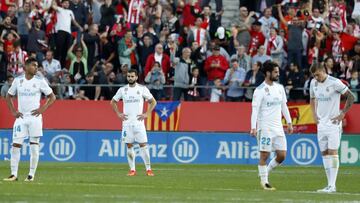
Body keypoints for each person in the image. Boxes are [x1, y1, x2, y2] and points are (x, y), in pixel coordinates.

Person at [3, 58, 56, 182]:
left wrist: (43, 108)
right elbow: (8, 95)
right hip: (21, 117)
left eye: (37, 65)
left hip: (35, 118)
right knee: (15, 145)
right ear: (26, 67)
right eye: (34, 65)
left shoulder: (40, 81)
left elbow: (52, 96)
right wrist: (13, 111)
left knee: (34, 146)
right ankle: (13, 174)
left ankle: (31, 175)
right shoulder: (18, 80)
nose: (36, 68)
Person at [309, 63, 355, 193]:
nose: (316, 78)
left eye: (317, 75)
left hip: (333, 123)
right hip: (321, 124)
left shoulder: (335, 82)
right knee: (324, 153)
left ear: (323, 71)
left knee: (333, 152)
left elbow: (351, 96)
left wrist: (342, 113)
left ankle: (332, 185)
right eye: (314, 76)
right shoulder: (313, 83)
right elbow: (312, 98)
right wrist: (313, 114)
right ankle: (329, 185)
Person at [250, 60, 293, 190]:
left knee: (282, 155)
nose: (277, 74)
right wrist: (253, 127)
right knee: (265, 155)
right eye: (275, 72)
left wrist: (289, 122)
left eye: (278, 72)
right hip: (265, 127)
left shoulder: (280, 88)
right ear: (268, 73)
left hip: (278, 127)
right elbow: (255, 110)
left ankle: (265, 172)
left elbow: (283, 105)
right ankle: (265, 182)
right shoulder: (260, 90)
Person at [110, 69, 157, 176]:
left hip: (139, 123)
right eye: (129, 76)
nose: (130, 78)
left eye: (132, 76)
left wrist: (147, 113)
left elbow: (153, 102)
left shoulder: (142, 89)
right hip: (127, 123)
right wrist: (118, 113)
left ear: (136, 77)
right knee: (129, 146)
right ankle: (132, 170)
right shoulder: (122, 90)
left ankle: (148, 169)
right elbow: (113, 102)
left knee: (143, 145)